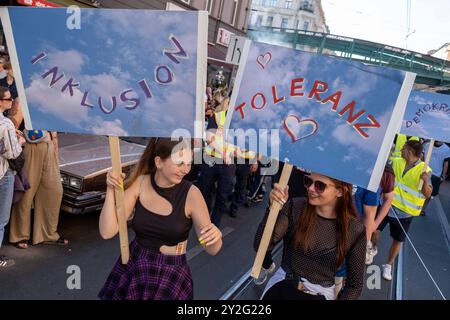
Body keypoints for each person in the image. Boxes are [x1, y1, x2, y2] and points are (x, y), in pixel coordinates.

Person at [98, 138, 222, 300]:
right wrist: (110, 190)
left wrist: (215, 236)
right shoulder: (140, 183)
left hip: (171, 274)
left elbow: (212, 249)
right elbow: (107, 232)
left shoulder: (192, 194)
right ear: (159, 162)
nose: (186, 170)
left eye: (188, 163)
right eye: (180, 163)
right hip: (135, 264)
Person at [255, 172, 366, 300]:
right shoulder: (295, 207)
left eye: (320, 185)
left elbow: (355, 285)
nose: (311, 188)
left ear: (340, 191)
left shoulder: (354, 229)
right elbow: (260, 245)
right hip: (282, 286)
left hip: (321, 294)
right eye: (308, 181)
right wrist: (272, 210)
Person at [379, 140, 432, 281]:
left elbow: (428, 194)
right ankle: (372, 247)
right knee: (374, 230)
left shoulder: (425, 170)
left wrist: (425, 181)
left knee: (398, 240)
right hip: (387, 205)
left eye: (403, 149)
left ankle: (388, 265)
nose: (401, 150)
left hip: (405, 212)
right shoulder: (396, 162)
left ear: (409, 151)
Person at [8, 128, 66, 248]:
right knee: (26, 194)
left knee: (53, 191)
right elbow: (13, 121)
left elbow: (54, 127)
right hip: (29, 146)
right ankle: (20, 235)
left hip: (48, 145)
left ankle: (47, 234)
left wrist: (55, 148)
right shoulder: (21, 108)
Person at [0, 87, 24, 268]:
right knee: (1, 220)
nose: (10, 102)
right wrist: (20, 141)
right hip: (2, 173)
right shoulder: (5, 124)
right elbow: (13, 153)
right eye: (7, 99)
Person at [420, 140, 450, 215]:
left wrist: (443, 176)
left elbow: (446, 163)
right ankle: (419, 207)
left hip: (436, 175)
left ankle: (423, 208)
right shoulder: (427, 145)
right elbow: (422, 157)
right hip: (425, 172)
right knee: (420, 190)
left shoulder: (446, 149)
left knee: (430, 194)